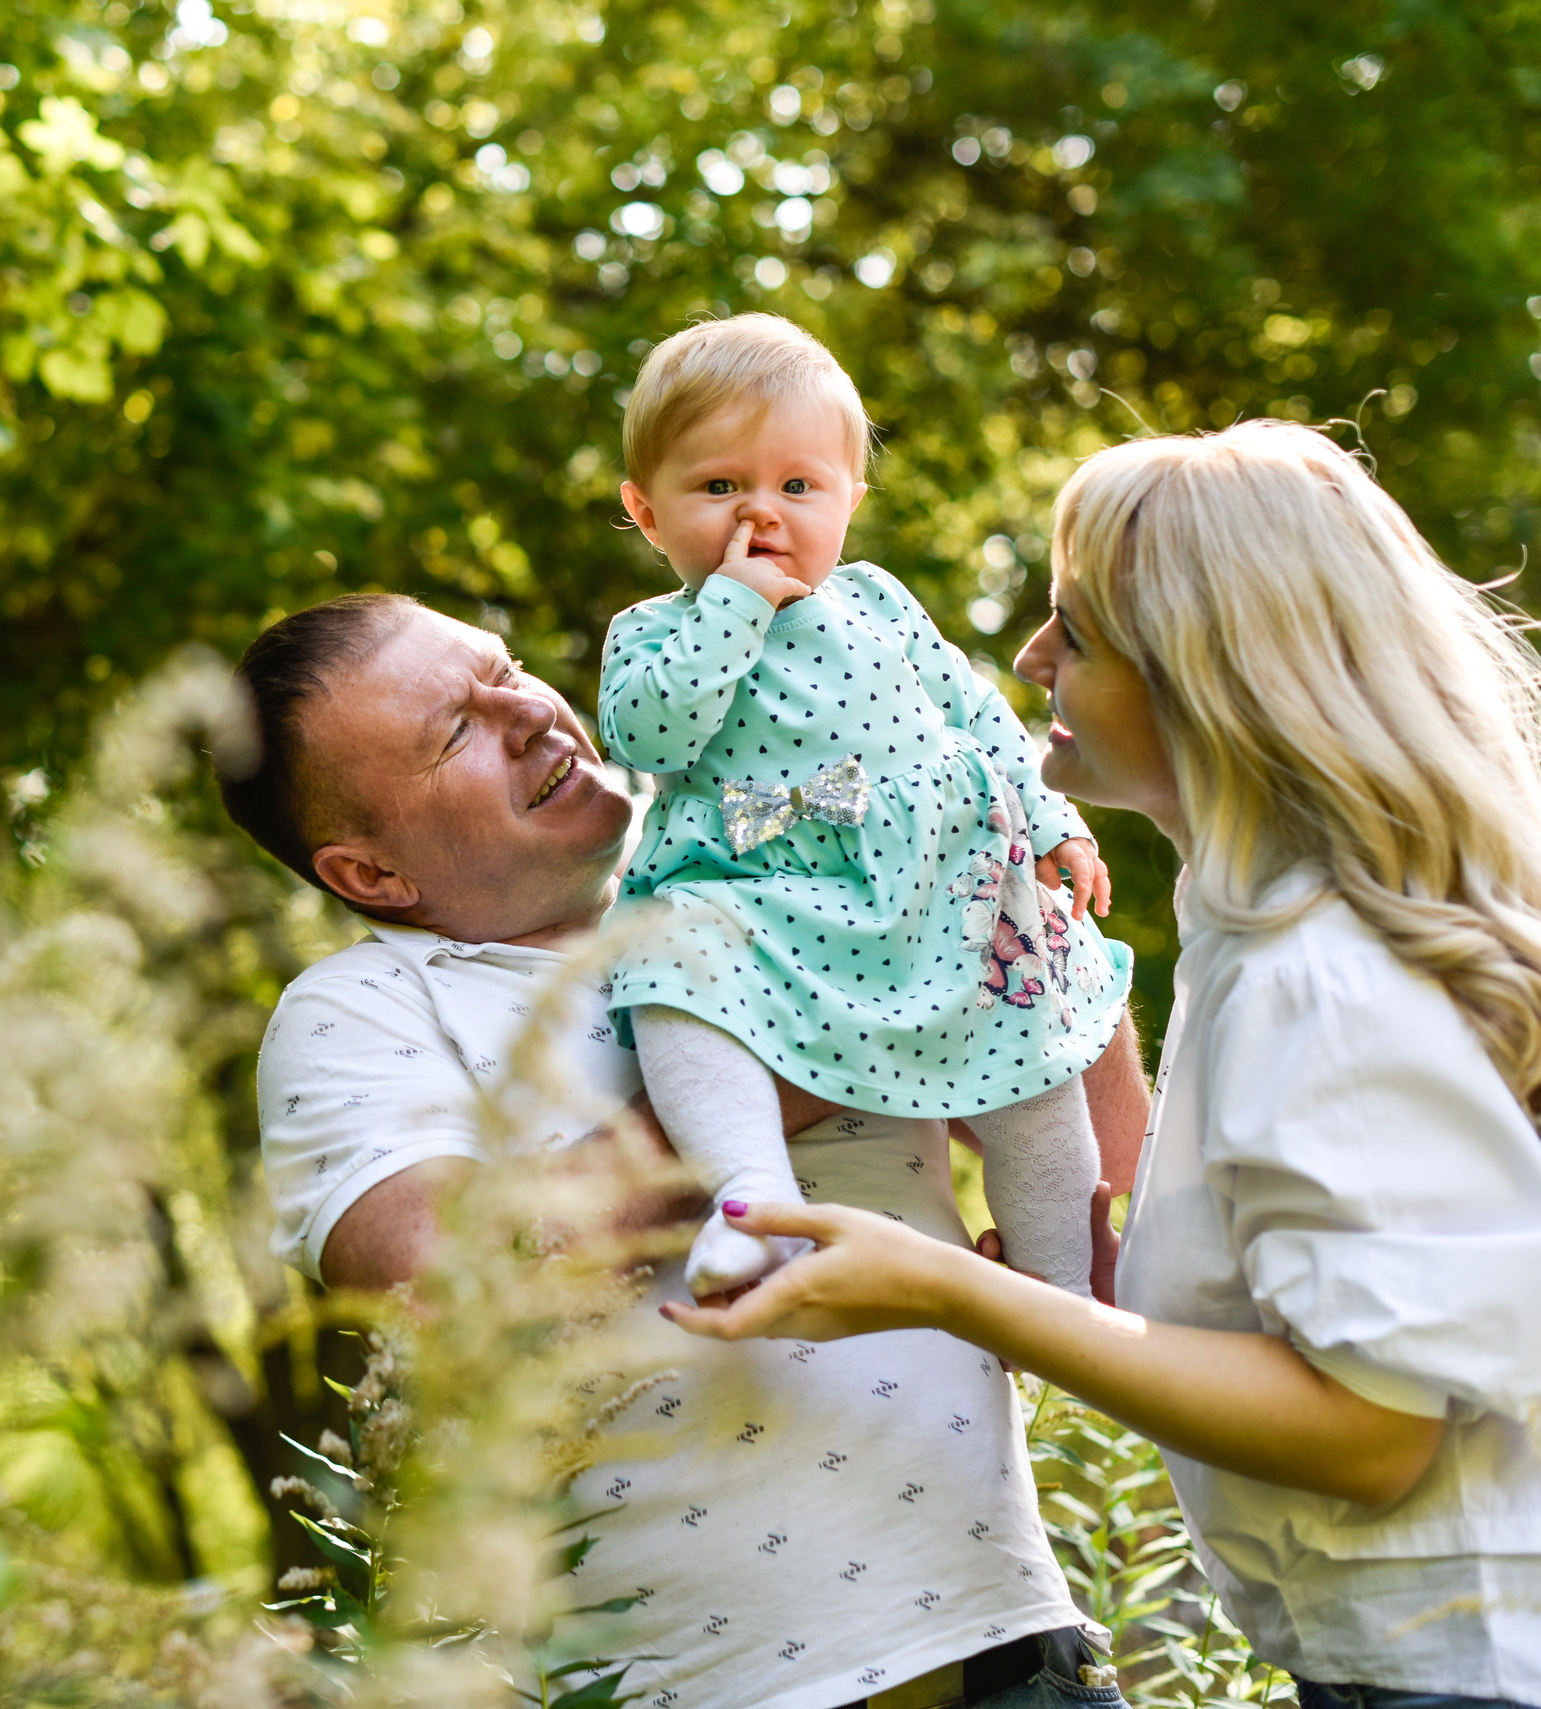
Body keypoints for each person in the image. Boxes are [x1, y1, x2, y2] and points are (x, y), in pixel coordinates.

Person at [665, 420, 1541, 1709]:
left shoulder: (1327, 976)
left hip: (1493, 1671)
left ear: (1204, 678)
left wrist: (955, 1292)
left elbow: (1372, 1433)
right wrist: (1112, 1289)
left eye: (1073, 631)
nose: (1030, 657)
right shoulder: (1265, 928)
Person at [218, 592, 1152, 1709]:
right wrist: (819, 1049)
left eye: (504, 671)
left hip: (1012, 1643)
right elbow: (444, 1283)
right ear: (371, 875)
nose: (527, 711)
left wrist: (1010, 897)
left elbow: (1110, 1146)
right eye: (457, 731)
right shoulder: (359, 1008)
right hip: (708, 1686)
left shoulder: (760, 834)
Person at [599, 315, 1128, 1298]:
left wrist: (1053, 817)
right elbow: (650, 736)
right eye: (718, 487)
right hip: (764, 868)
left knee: (1036, 1080)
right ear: (646, 511)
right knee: (669, 969)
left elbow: (976, 712)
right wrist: (734, 605)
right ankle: (751, 1205)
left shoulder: (877, 600)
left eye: (798, 487)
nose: (761, 513)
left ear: (851, 499)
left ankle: (1067, 1296)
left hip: (943, 876)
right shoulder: (656, 630)